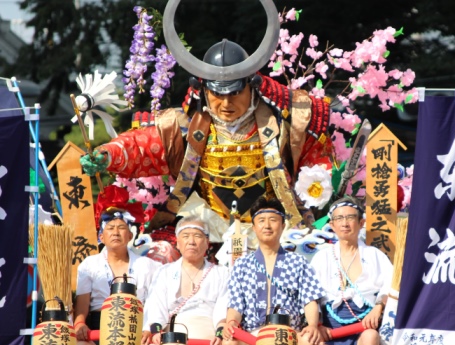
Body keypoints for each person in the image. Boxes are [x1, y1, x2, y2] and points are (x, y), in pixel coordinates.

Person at [80, 35, 333, 234]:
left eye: (234, 93)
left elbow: (317, 160)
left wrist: (317, 183)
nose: (225, 103)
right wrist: (108, 154)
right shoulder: (185, 126)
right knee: (158, 257)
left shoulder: (285, 123)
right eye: (217, 94)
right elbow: (142, 146)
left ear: (252, 88)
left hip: (274, 227)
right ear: (203, 91)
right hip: (204, 229)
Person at [222, 197, 327, 345]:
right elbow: (236, 305)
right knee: (229, 343)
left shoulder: (298, 262)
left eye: (273, 220)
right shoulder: (243, 265)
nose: (267, 225)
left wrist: (312, 325)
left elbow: (310, 300)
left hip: (288, 335)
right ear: (254, 227)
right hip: (252, 335)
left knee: (309, 339)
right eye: (261, 221)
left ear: (283, 225)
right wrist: (231, 324)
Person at [74, 194, 161, 345]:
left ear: (130, 235)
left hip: (135, 330)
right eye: (110, 228)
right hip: (100, 331)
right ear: (101, 236)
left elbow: (155, 303)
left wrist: (148, 328)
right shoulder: (89, 265)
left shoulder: (148, 265)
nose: (115, 233)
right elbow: (82, 306)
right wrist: (79, 323)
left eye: (121, 228)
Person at [144, 215, 231, 345]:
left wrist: (219, 332)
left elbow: (223, 309)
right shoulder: (165, 272)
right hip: (172, 338)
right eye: (186, 236)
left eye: (197, 236)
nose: (191, 241)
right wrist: (156, 330)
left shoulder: (221, 273)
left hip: (204, 341)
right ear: (178, 242)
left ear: (207, 242)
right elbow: (155, 305)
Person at [310, 197, 391, 345]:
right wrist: (317, 324)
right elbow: (311, 295)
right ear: (332, 224)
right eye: (339, 218)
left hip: (365, 325)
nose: (345, 223)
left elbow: (392, 286)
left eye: (350, 217)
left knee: (371, 337)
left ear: (361, 222)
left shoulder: (374, 255)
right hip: (332, 329)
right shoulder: (322, 257)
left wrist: (379, 307)